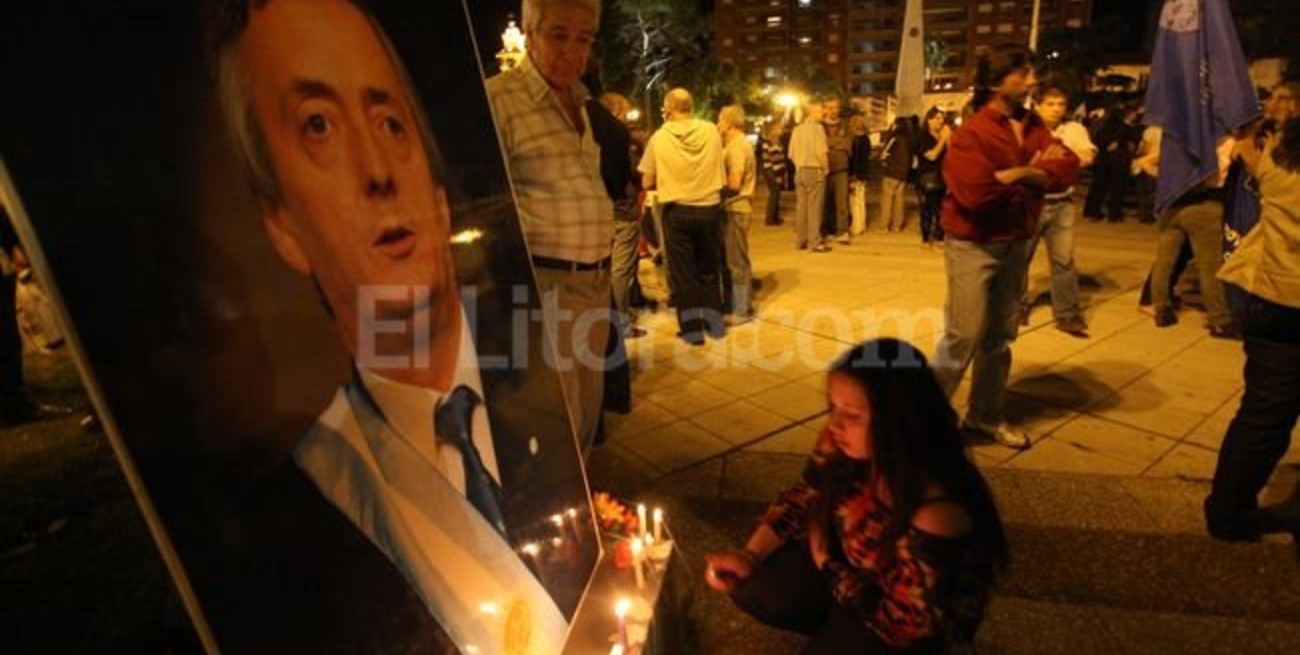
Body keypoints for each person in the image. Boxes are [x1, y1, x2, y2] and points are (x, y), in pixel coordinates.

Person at [216, 1, 571, 651]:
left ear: (438, 194)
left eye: (390, 121)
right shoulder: (294, 525)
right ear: (281, 226)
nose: (378, 170)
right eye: (317, 125)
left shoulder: (541, 385)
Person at [705, 339, 1009, 654]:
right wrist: (749, 556)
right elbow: (801, 497)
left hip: (905, 621)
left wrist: (826, 560)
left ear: (898, 420)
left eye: (852, 415)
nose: (835, 425)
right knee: (753, 587)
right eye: (832, 407)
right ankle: (838, 625)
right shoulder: (841, 444)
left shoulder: (935, 510)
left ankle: (849, 632)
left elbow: (905, 625)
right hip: (850, 570)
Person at [932, 44, 1080, 450]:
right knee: (962, 335)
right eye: (1023, 73)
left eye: (1032, 71)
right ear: (996, 81)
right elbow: (976, 195)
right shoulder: (972, 133)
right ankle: (919, 421)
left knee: (999, 337)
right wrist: (1036, 178)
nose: (1032, 80)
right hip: (973, 244)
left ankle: (985, 417)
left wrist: (1021, 172)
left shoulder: (1034, 125)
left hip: (1016, 241)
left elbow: (1067, 167)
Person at [486, 0, 613, 452]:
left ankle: (583, 513)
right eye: (559, 35)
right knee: (555, 419)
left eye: (584, 39)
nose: (572, 51)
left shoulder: (580, 100)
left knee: (586, 412)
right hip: (546, 284)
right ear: (530, 32)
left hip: (594, 282)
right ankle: (563, 516)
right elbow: (483, 203)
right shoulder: (499, 100)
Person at [1204, 116, 1300, 542]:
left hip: (1272, 298)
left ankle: (1228, 513)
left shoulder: (1280, 159)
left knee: (1263, 414)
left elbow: (1253, 163)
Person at [639, 88, 727, 345]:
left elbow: (647, 180)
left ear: (668, 108)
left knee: (684, 274)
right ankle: (715, 325)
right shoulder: (710, 130)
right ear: (691, 105)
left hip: (677, 210)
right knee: (709, 269)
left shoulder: (659, 137)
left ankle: (692, 330)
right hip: (709, 207)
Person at [1021, 83, 1097, 338]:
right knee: (1020, 260)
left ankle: (1067, 312)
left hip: (1062, 204)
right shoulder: (1027, 128)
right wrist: (1065, 159)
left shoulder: (1073, 129)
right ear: (1037, 105)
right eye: (1050, 104)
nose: (1055, 109)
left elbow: (1086, 157)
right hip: (1032, 202)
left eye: (1060, 104)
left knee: (1063, 261)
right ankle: (1016, 307)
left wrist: (1052, 160)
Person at [1148, 135, 1240, 339]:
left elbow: (1149, 162)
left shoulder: (1175, 137)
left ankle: (1161, 308)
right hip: (1205, 205)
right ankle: (1219, 319)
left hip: (1172, 204)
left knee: (1164, 262)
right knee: (1210, 265)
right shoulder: (1224, 140)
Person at [592, 91, 646, 338]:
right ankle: (620, 323)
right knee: (622, 268)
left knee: (610, 267)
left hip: (600, 208)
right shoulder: (617, 136)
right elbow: (629, 172)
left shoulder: (589, 133)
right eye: (624, 113)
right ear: (615, 112)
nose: (626, 119)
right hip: (622, 208)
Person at [718, 104, 758, 325]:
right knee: (734, 260)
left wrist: (714, 188)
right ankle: (736, 305)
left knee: (737, 262)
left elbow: (735, 182)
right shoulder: (737, 144)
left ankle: (742, 310)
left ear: (729, 123)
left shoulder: (736, 147)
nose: (718, 125)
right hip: (736, 208)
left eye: (720, 120)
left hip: (736, 207)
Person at [1083, 104, 1139, 223]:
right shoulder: (1126, 129)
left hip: (1102, 162)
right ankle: (1114, 214)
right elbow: (1132, 145)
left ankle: (1093, 212)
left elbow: (1098, 142)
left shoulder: (1104, 128)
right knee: (1117, 188)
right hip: (1119, 162)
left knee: (1099, 187)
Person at [789, 101, 831, 252]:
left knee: (801, 208)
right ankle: (814, 241)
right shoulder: (818, 129)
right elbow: (821, 152)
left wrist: (800, 164)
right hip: (815, 170)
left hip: (799, 171)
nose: (823, 113)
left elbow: (791, 154)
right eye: (820, 110)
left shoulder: (797, 130)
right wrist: (826, 168)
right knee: (814, 208)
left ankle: (801, 240)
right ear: (812, 112)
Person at [913, 107, 951, 246]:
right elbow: (932, 156)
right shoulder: (922, 137)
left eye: (942, 118)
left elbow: (951, 155)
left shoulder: (944, 136)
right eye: (937, 118)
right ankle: (926, 237)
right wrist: (942, 140)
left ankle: (940, 236)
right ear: (929, 120)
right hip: (926, 179)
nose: (941, 122)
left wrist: (948, 140)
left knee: (942, 210)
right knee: (927, 209)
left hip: (943, 178)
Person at [823, 98, 853, 245]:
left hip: (841, 168)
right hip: (824, 169)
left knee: (842, 202)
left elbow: (847, 144)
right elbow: (821, 145)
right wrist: (836, 144)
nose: (832, 111)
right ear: (824, 109)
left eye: (835, 108)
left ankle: (843, 231)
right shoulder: (819, 126)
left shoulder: (846, 126)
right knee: (826, 202)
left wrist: (830, 145)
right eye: (829, 108)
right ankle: (829, 230)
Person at [880, 116, 914, 233]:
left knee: (887, 199)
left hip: (891, 172)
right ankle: (897, 225)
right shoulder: (909, 139)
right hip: (904, 173)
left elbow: (884, 154)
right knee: (899, 199)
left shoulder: (894, 138)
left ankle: (884, 225)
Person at [848, 114, 872, 235]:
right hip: (864, 173)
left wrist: (852, 175)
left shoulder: (856, 141)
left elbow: (854, 160)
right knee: (861, 200)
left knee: (855, 201)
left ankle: (856, 226)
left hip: (856, 175)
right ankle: (861, 224)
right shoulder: (866, 139)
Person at [762, 121, 789, 226]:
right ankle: (771, 219)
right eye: (779, 128)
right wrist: (778, 175)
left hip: (771, 170)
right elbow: (775, 159)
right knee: (774, 194)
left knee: (776, 194)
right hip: (772, 171)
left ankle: (774, 218)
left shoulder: (774, 141)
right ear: (773, 130)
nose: (781, 130)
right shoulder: (772, 142)